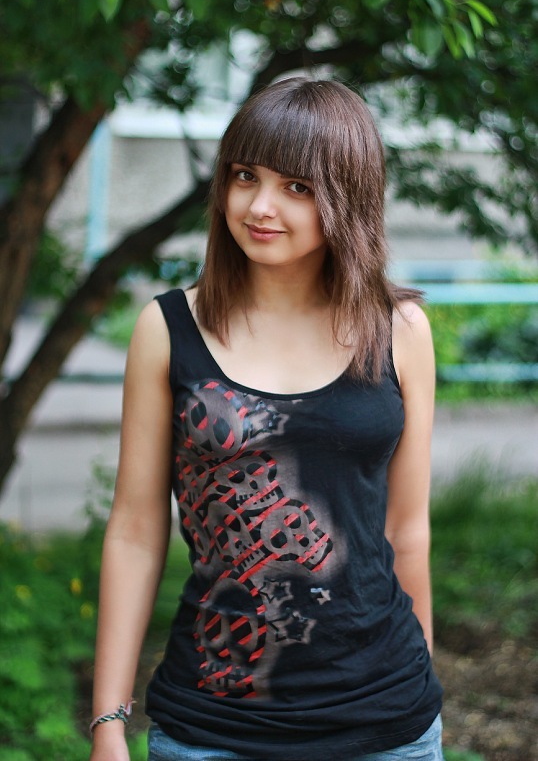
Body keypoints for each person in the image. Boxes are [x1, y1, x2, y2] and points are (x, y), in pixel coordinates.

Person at [89, 77, 443, 761]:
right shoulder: (169, 328)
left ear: (347, 196)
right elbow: (134, 529)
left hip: (386, 723)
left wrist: (420, 691)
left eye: (296, 187)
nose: (258, 206)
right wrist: (108, 721)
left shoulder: (400, 331)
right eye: (245, 176)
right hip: (211, 727)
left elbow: (407, 530)